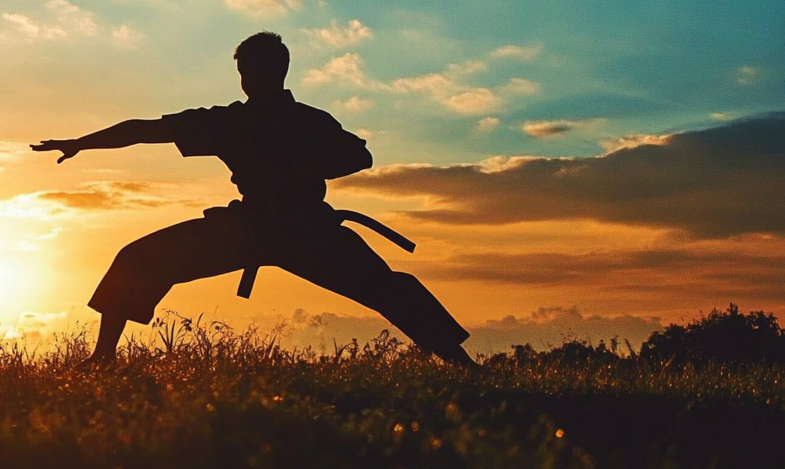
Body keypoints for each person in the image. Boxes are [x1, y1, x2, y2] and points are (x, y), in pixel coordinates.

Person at [32, 32, 473, 366]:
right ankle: (103, 360)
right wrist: (81, 142)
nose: (247, 79)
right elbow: (145, 129)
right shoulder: (236, 122)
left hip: (305, 229)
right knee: (139, 258)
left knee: (387, 287)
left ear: (268, 73)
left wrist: (303, 167)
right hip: (253, 227)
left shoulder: (296, 122)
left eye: (251, 71)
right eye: (245, 71)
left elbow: (359, 156)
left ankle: (464, 365)